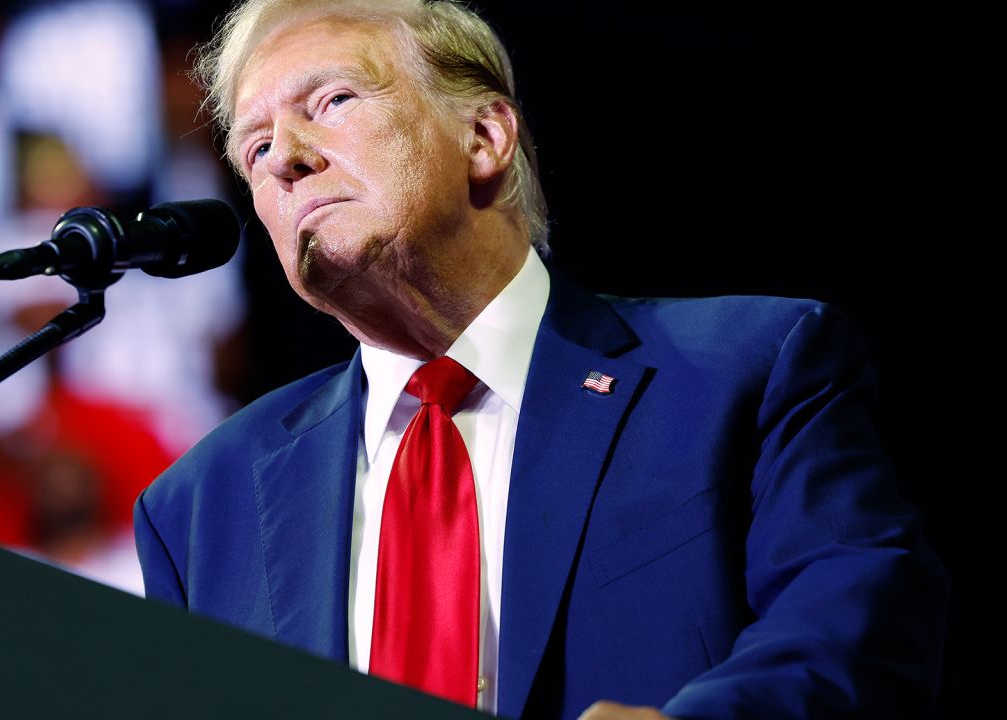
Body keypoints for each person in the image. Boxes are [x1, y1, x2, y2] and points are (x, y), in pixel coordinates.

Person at [133, 1, 948, 718]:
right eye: (255, 147)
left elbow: (855, 617)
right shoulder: (203, 506)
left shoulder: (746, 372)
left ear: (484, 135)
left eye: (333, 101)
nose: (285, 157)